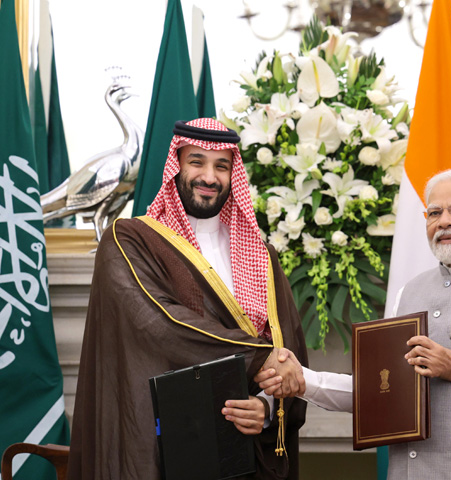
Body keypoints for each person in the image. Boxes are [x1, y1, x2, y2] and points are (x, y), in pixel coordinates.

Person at [257, 168, 451, 479]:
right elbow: (378, 390)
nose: (444, 221)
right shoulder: (409, 292)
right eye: (434, 213)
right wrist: (304, 380)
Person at [68, 118, 308, 480]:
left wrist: (267, 408)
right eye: (197, 162)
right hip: (167, 445)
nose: (209, 177)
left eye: (222, 166)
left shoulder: (262, 255)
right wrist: (258, 357)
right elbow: (162, 324)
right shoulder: (130, 240)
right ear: (176, 166)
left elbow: (288, 346)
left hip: (245, 452)